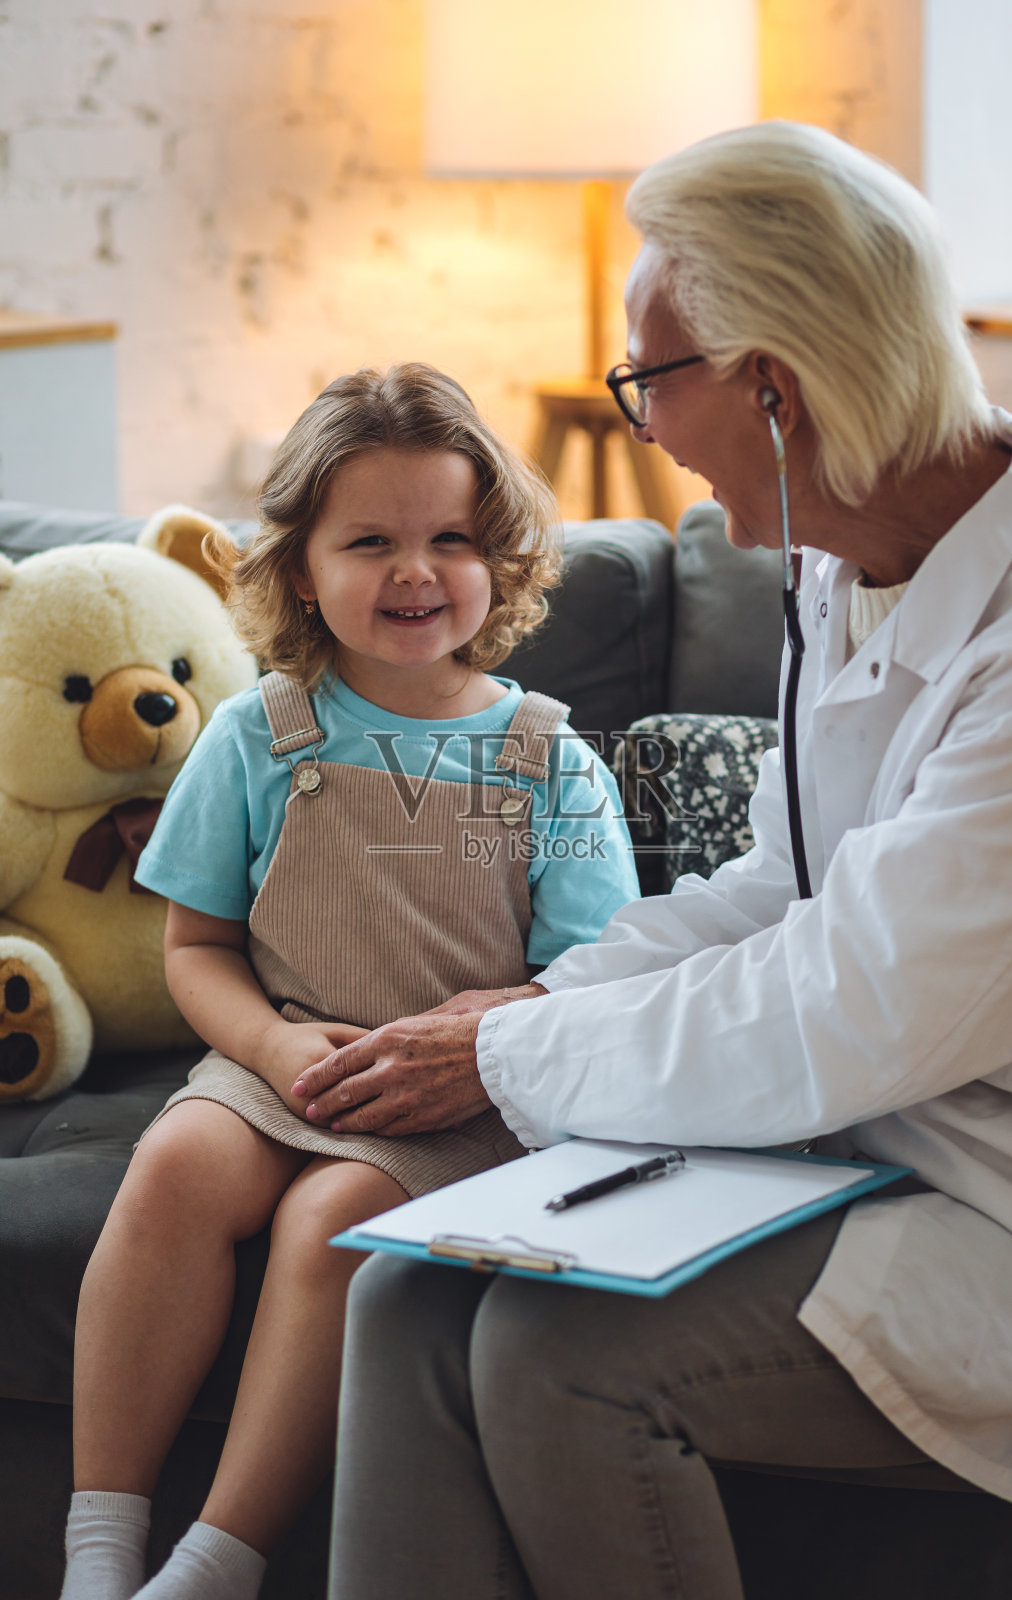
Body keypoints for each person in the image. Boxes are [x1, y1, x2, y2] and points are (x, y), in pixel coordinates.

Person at [299, 124, 1012, 1598]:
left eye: (646, 379)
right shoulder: (844, 573)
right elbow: (770, 882)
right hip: (869, 1152)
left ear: (771, 387)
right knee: (400, 1285)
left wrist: (517, 1057)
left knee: (556, 1352)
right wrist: (526, 1010)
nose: (637, 425)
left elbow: (853, 1005)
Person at [58, 363, 639, 1600]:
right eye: (369, 540)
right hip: (276, 1055)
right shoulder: (255, 734)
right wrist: (269, 1049)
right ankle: (99, 1548)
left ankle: (216, 1560)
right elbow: (198, 951)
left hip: (455, 1102)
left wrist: (472, 1056)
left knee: (331, 1223)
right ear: (301, 566)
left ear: (500, 562)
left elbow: (586, 985)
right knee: (172, 1168)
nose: (414, 572)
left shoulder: (551, 759)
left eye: (449, 540)